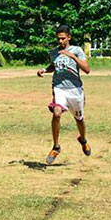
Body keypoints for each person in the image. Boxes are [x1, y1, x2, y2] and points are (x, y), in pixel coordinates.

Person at [37, 25, 91, 164]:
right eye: (58, 39)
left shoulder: (77, 50)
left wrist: (72, 56)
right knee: (56, 113)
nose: (60, 41)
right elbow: (53, 66)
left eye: (63, 38)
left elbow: (87, 70)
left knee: (79, 119)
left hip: (75, 89)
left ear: (69, 37)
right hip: (59, 88)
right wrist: (44, 70)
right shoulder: (54, 52)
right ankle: (56, 147)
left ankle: (83, 139)